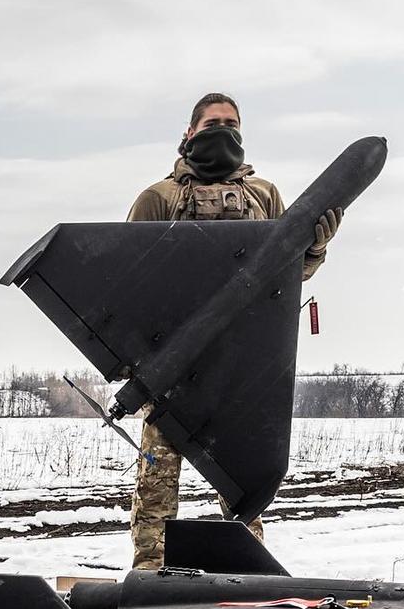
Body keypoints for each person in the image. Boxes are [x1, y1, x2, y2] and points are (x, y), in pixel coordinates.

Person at [126, 92, 343, 571]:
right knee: (157, 485)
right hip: (174, 371)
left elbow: (286, 276)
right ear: (188, 134)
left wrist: (315, 249)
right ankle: (150, 576)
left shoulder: (264, 196)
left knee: (240, 483)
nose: (222, 131)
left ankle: (247, 574)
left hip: (241, 365)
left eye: (231, 123)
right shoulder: (157, 199)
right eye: (211, 123)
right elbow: (129, 283)